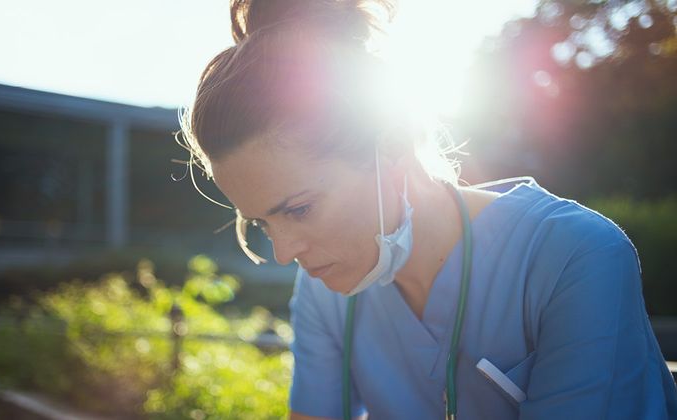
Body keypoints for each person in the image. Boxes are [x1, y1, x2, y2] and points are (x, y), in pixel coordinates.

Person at [178, 0, 677, 418]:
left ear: (389, 145)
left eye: (301, 210)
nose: (283, 253)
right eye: (261, 222)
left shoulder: (573, 257)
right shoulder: (326, 289)